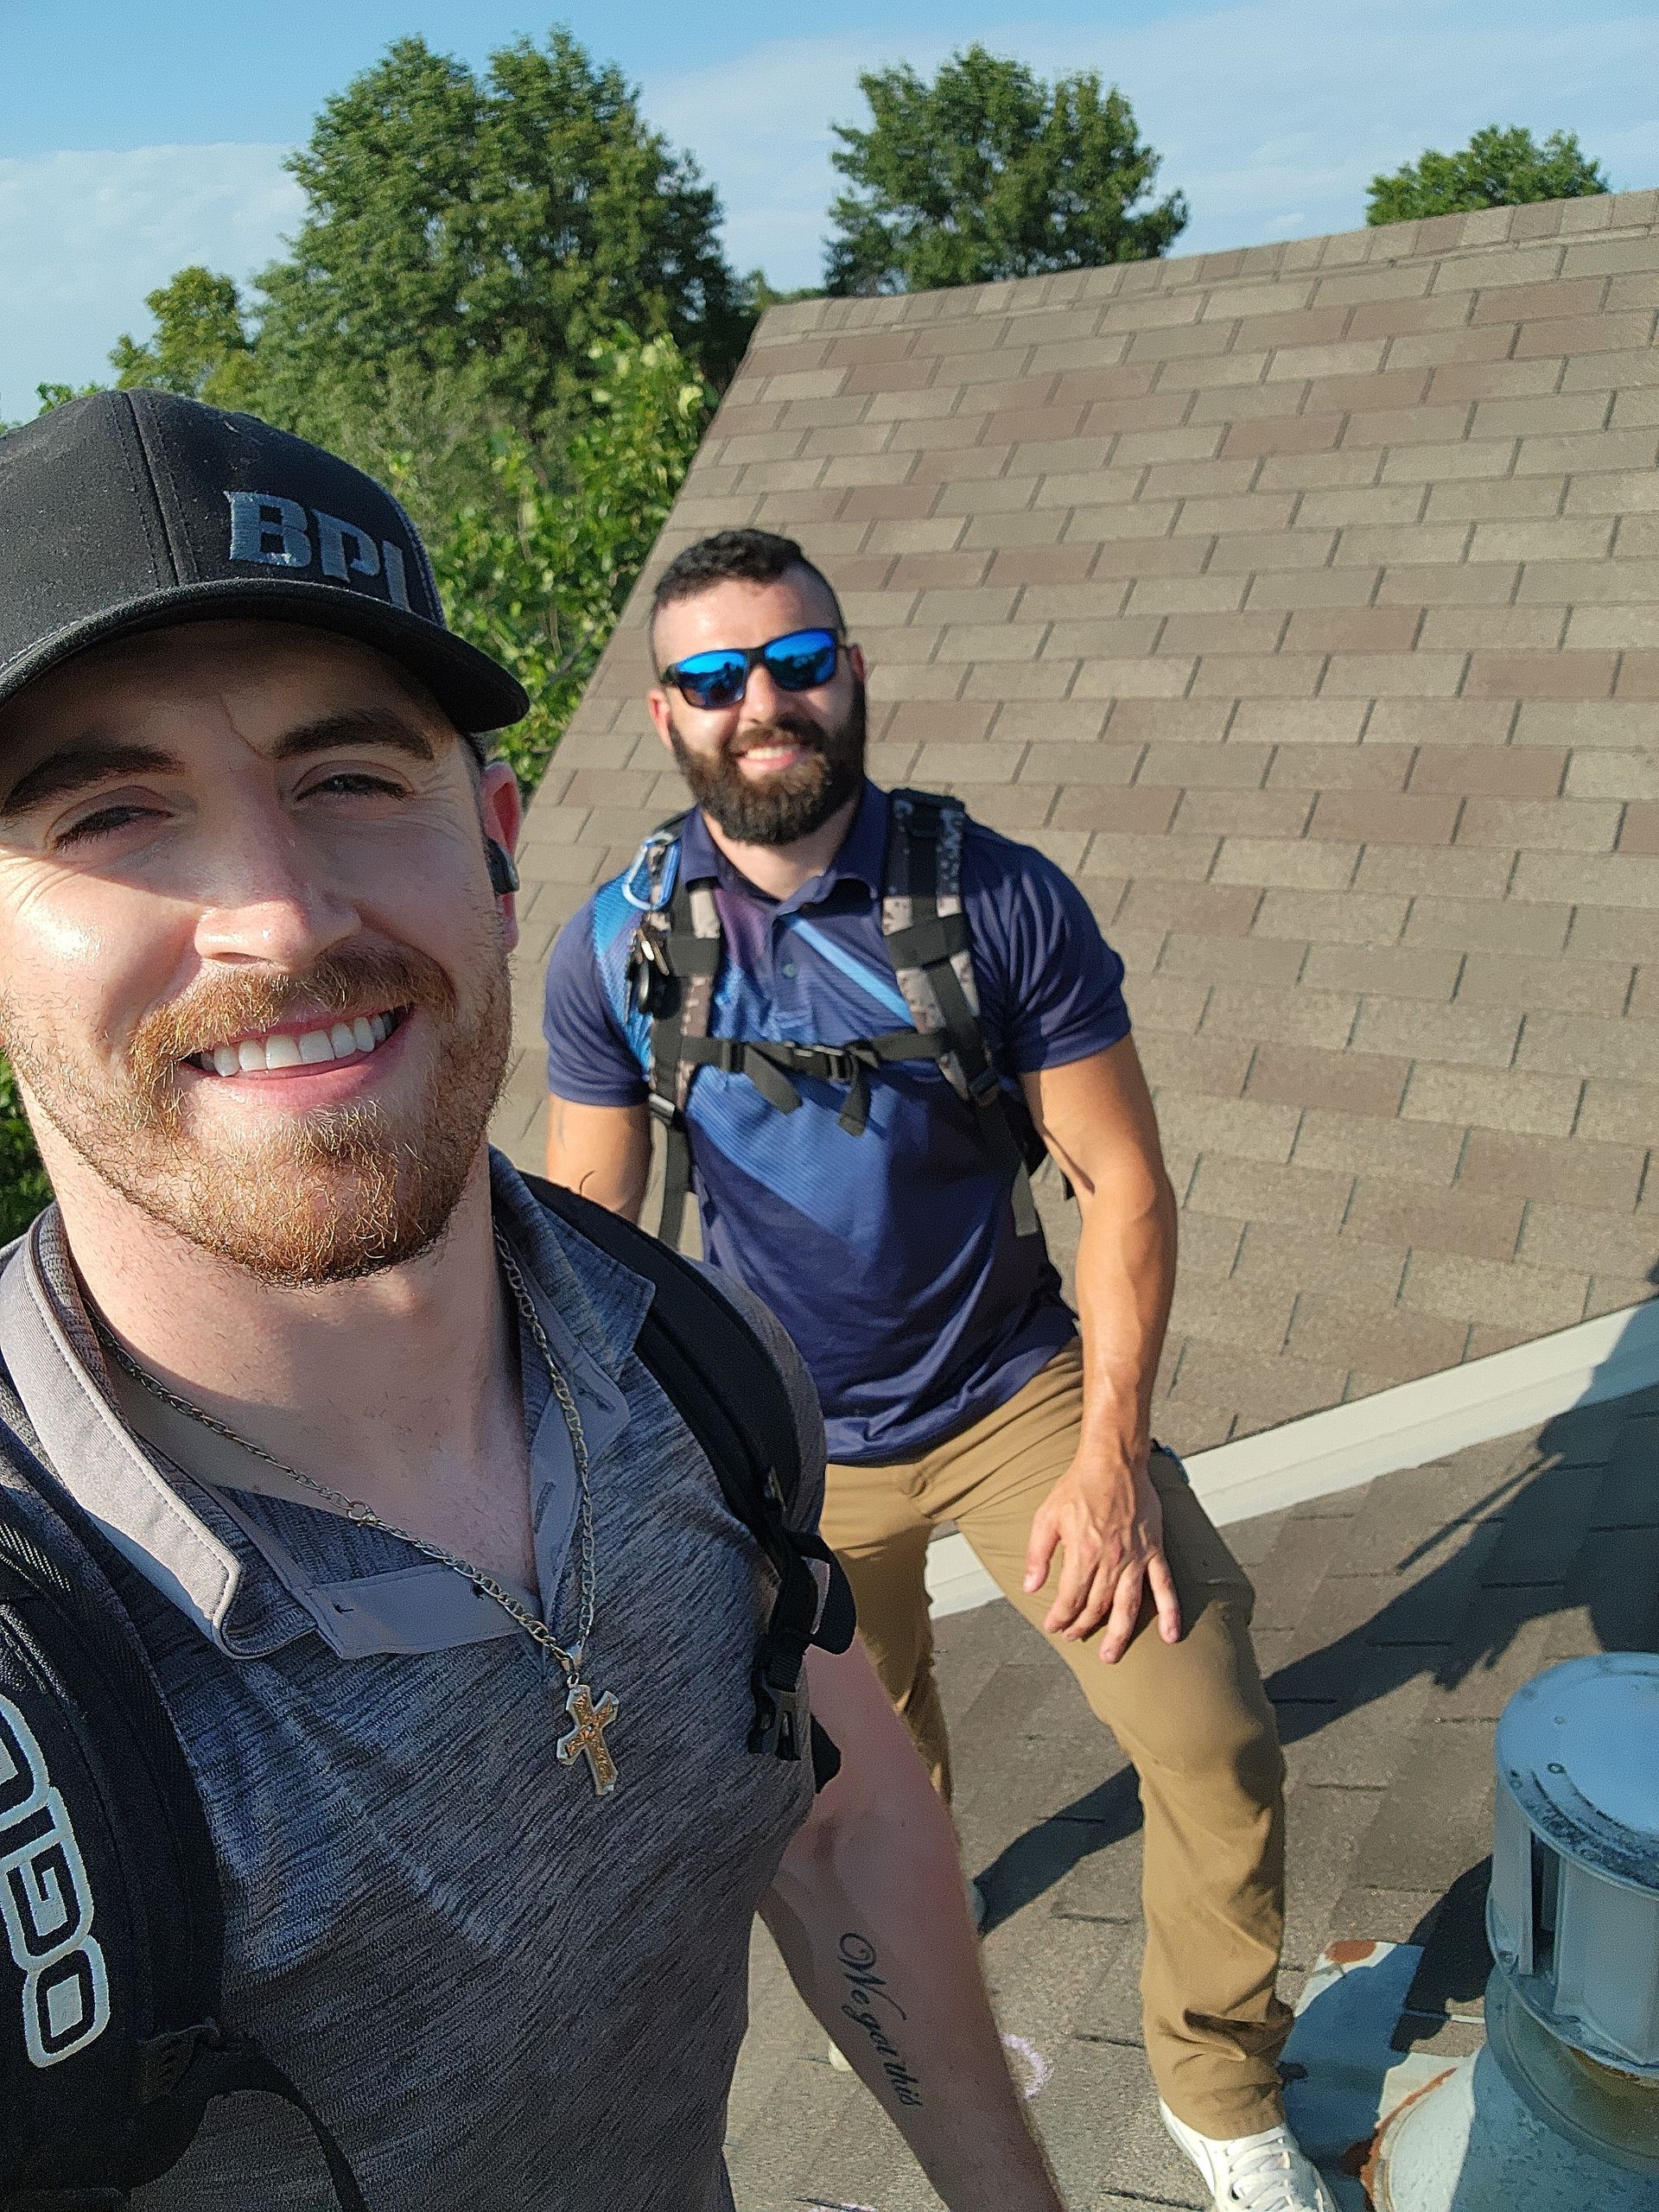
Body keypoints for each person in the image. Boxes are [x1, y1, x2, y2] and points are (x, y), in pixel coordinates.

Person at [0, 397, 1067, 2212]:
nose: (276, 911)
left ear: (496, 841)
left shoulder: (701, 1367)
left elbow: (835, 1800)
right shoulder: (37, 1664)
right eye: (115, 814)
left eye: (348, 775)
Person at [543, 528, 1338, 2212]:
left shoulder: (992, 899)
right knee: (863, 1764)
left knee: (1209, 1733)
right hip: (781, 1440)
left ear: (848, 667)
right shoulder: (622, 947)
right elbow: (587, 1240)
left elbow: (1120, 1179)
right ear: (668, 713)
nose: (762, 700)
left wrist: (1112, 1458)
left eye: (795, 658)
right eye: (712, 675)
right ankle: (914, 1959)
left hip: (1010, 1401)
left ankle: (1213, 2076)